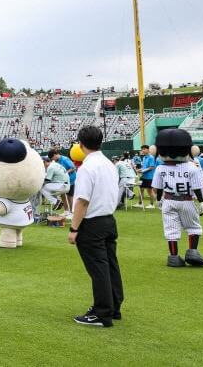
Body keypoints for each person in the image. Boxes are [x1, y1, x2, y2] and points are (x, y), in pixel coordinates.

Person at [67, 126, 123, 328]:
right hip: (108, 219)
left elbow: (81, 201)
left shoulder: (87, 167)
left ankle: (102, 312)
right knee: (110, 265)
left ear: (80, 144)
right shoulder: (109, 164)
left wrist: (74, 229)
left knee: (98, 268)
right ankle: (113, 306)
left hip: (92, 223)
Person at [151, 129, 203, 267]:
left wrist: (159, 200)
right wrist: (202, 201)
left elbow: (158, 188)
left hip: (168, 201)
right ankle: (192, 252)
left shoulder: (160, 168)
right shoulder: (192, 167)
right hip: (187, 201)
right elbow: (196, 187)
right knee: (193, 227)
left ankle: (173, 257)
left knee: (171, 229)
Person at [50, 149, 76, 219]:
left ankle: (71, 212)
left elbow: (73, 168)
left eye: (53, 158)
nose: (53, 160)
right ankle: (66, 211)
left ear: (55, 155)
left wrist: (65, 173)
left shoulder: (65, 159)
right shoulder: (56, 161)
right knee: (62, 194)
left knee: (69, 196)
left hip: (71, 180)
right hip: (62, 181)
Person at [137, 144, 157, 208]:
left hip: (149, 177)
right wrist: (139, 170)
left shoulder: (151, 157)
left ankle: (152, 204)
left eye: (144, 149)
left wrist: (143, 171)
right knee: (140, 189)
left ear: (148, 150)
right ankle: (140, 203)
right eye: (142, 149)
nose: (143, 150)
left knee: (149, 191)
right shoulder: (144, 158)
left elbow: (151, 167)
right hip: (143, 176)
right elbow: (144, 167)